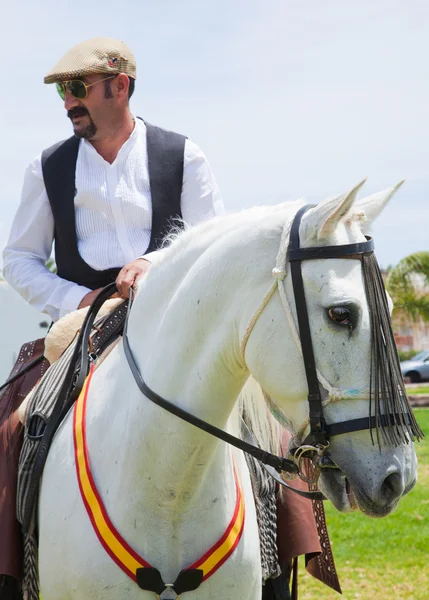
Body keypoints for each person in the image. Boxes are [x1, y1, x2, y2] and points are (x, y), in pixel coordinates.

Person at [1, 37, 339, 600]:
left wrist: (153, 264)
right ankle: (16, 575)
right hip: (80, 326)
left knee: (270, 435)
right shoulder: (48, 167)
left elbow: (214, 242)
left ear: (121, 86)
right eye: (62, 91)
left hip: (177, 321)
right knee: (11, 427)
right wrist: (76, 300)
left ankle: (274, 576)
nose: (67, 102)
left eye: (77, 88)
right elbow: (18, 259)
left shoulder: (182, 154)